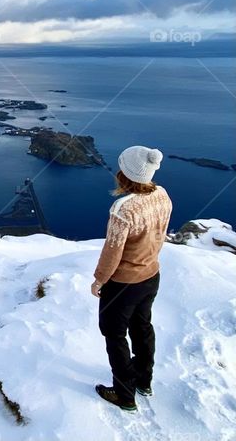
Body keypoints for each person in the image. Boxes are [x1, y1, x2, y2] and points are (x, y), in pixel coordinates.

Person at [91, 145, 172, 412]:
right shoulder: (162, 195)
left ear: (125, 173)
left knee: (114, 335)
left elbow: (112, 252)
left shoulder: (123, 209)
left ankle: (124, 394)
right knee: (142, 327)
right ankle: (144, 380)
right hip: (151, 275)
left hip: (124, 283)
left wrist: (99, 280)